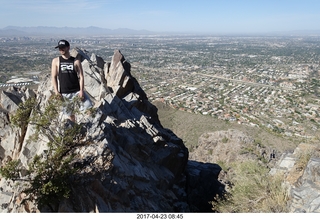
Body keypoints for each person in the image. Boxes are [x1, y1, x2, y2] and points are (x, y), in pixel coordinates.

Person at [51, 39, 92, 123]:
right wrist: (56, 91)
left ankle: (89, 128)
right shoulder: (56, 61)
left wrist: (81, 91)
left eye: (63, 47)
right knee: (70, 115)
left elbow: (81, 76)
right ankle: (74, 131)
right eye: (59, 48)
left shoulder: (76, 61)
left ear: (68, 47)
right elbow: (54, 77)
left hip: (77, 91)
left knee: (89, 108)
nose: (61, 49)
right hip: (64, 93)